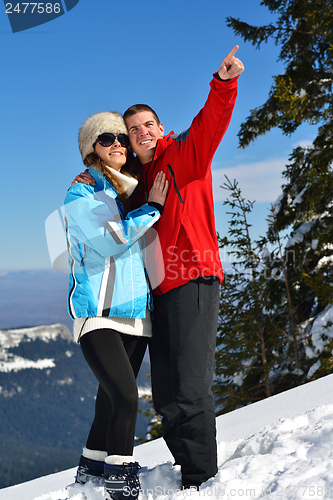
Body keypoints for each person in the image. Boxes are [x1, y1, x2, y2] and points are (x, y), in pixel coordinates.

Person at [73, 46, 244, 489]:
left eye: (148, 125)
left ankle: (203, 480)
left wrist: (223, 84)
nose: (140, 133)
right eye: (131, 130)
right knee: (167, 396)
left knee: (189, 390)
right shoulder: (138, 183)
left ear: (160, 128)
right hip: (158, 293)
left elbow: (210, 126)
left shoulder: (185, 154)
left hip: (193, 280)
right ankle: (188, 471)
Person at [65, 111, 168, 500]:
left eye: (122, 138)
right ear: (92, 149)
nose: (119, 144)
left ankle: (89, 474)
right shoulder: (82, 192)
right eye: (107, 139)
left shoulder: (129, 191)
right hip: (98, 313)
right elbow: (110, 240)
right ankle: (120, 484)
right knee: (126, 397)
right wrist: (152, 208)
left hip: (136, 316)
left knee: (110, 400)